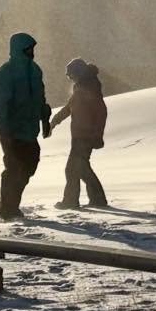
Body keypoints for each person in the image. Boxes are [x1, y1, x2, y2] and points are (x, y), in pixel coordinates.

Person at [0, 32, 50, 221]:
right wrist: (3, 129)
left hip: (30, 129)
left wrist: (44, 115)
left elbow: (40, 96)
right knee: (14, 167)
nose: (32, 52)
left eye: (32, 48)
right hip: (12, 130)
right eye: (28, 49)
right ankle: (8, 208)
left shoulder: (35, 70)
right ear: (19, 49)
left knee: (30, 164)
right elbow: (0, 103)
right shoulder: (6, 72)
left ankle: (9, 201)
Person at [51, 59, 108, 209]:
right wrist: (54, 122)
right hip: (79, 136)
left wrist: (97, 135)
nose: (70, 78)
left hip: (85, 136)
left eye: (70, 75)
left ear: (78, 73)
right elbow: (69, 108)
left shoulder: (89, 87)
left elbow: (101, 112)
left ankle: (71, 201)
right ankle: (97, 200)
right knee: (81, 168)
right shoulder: (81, 87)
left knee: (73, 169)